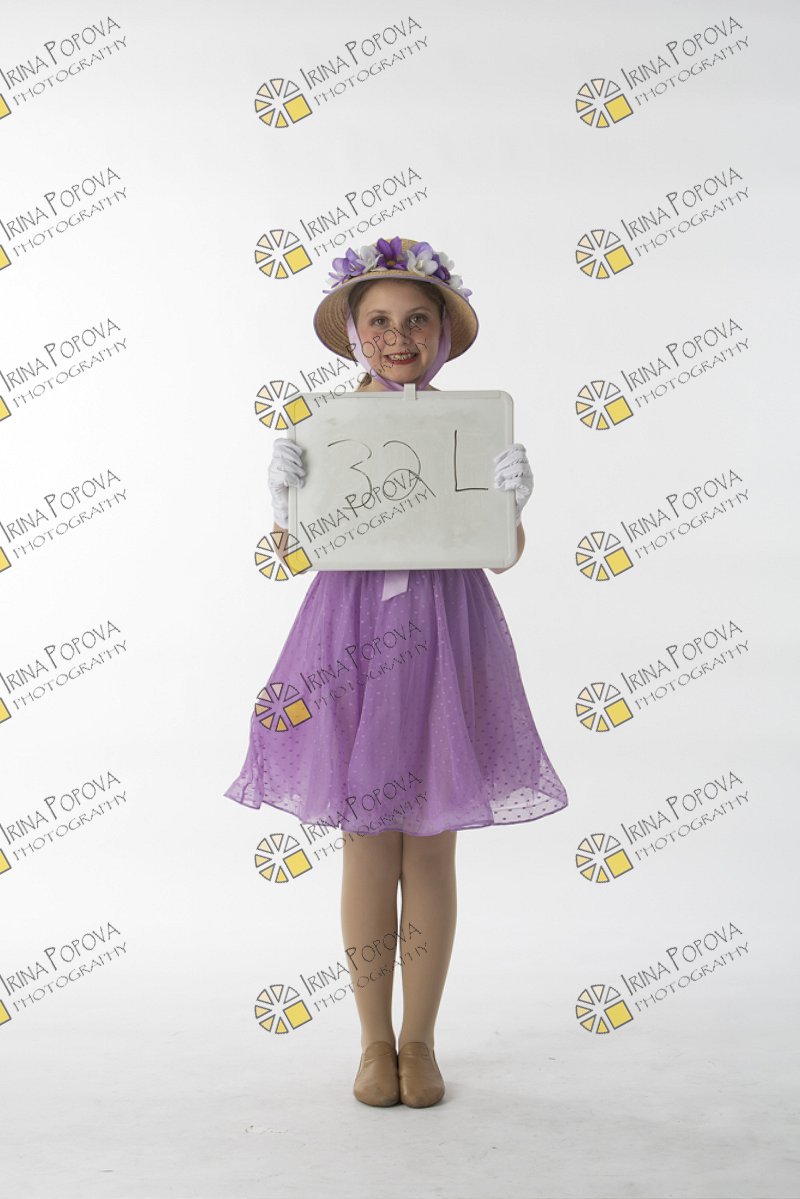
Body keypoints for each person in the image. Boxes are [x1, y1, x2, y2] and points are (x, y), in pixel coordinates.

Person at [224, 236, 569, 1108]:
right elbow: (292, 554)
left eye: (417, 320)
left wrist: (511, 503)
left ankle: (421, 1039)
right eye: (377, 320)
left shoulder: (470, 426)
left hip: (446, 634)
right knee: (367, 841)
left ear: (442, 332)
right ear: (352, 332)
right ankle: (373, 1041)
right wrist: (283, 501)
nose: (397, 337)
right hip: (349, 638)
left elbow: (502, 554)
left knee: (433, 843)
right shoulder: (330, 426)